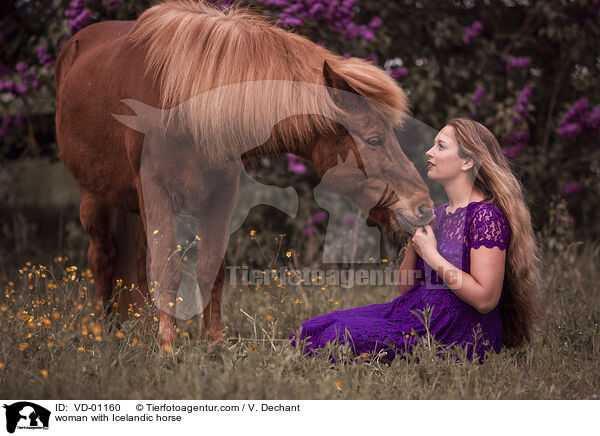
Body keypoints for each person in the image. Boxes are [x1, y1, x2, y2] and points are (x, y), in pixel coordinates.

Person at [288, 117, 542, 363]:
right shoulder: (441, 213)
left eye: (440, 146)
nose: (429, 153)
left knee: (338, 336)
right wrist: (416, 242)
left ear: (466, 162)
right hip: (415, 315)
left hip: (457, 333)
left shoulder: (486, 216)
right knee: (316, 327)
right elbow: (407, 289)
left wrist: (431, 254)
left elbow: (486, 300)